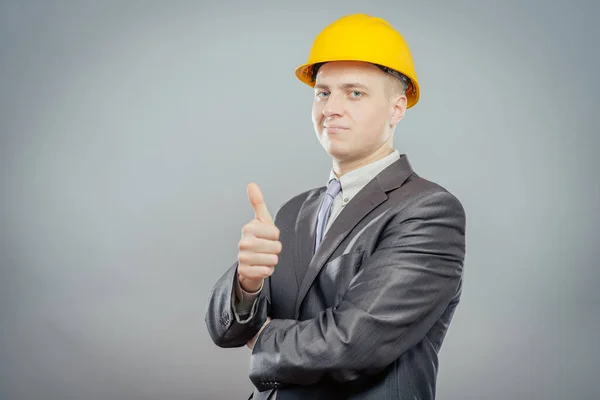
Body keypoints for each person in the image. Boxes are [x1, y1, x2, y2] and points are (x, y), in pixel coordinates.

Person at [205, 13, 466, 400]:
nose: (331, 108)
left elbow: (352, 343)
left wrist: (265, 338)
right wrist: (248, 281)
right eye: (323, 93)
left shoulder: (429, 212)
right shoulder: (295, 212)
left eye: (354, 93)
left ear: (397, 109)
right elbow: (226, 330)